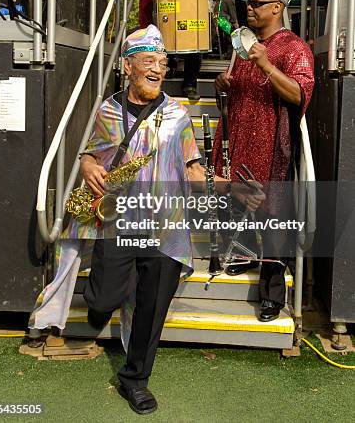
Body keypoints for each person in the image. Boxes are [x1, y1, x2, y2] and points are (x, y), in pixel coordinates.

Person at [27, 24, 263, 414]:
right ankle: (107, 302)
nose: (157, 69)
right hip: (118, 224)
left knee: (152, 308)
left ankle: (135, 379)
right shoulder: (108, 110)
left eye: (163, 63)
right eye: (148, 61)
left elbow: (191, 169)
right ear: (127, 66)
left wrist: (230, 187)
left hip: (164, 227)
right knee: (102, 298)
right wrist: (87, 165)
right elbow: (92, 153)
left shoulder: (177, 114)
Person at [213, 0, 314, 322]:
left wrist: (266, 63)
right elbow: (235, 92)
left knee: (274, 216)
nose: (249, 9)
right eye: (249, 4)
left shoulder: (294, 48)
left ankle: (272, 294)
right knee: (236, 202)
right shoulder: (244, 44)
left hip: (272, 144)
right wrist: (222, 84)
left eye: (256, 4)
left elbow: (300, 94)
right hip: (240, 138)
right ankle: (240, 256)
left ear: (277, 7)